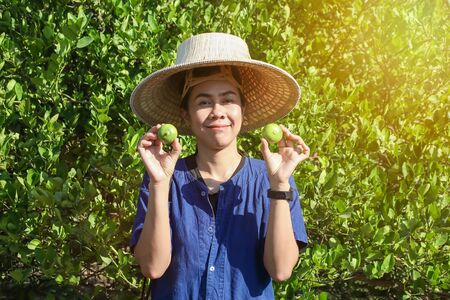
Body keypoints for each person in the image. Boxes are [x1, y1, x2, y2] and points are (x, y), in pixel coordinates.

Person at [129, 32, 309, 299]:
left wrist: (280, 185)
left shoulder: (269, 178)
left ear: (242, 111)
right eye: (203, 102)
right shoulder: (165, 178)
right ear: (185, 116)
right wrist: (158, 184)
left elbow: (281, 270)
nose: (217, 111)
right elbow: (153, 267)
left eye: (228, 99)